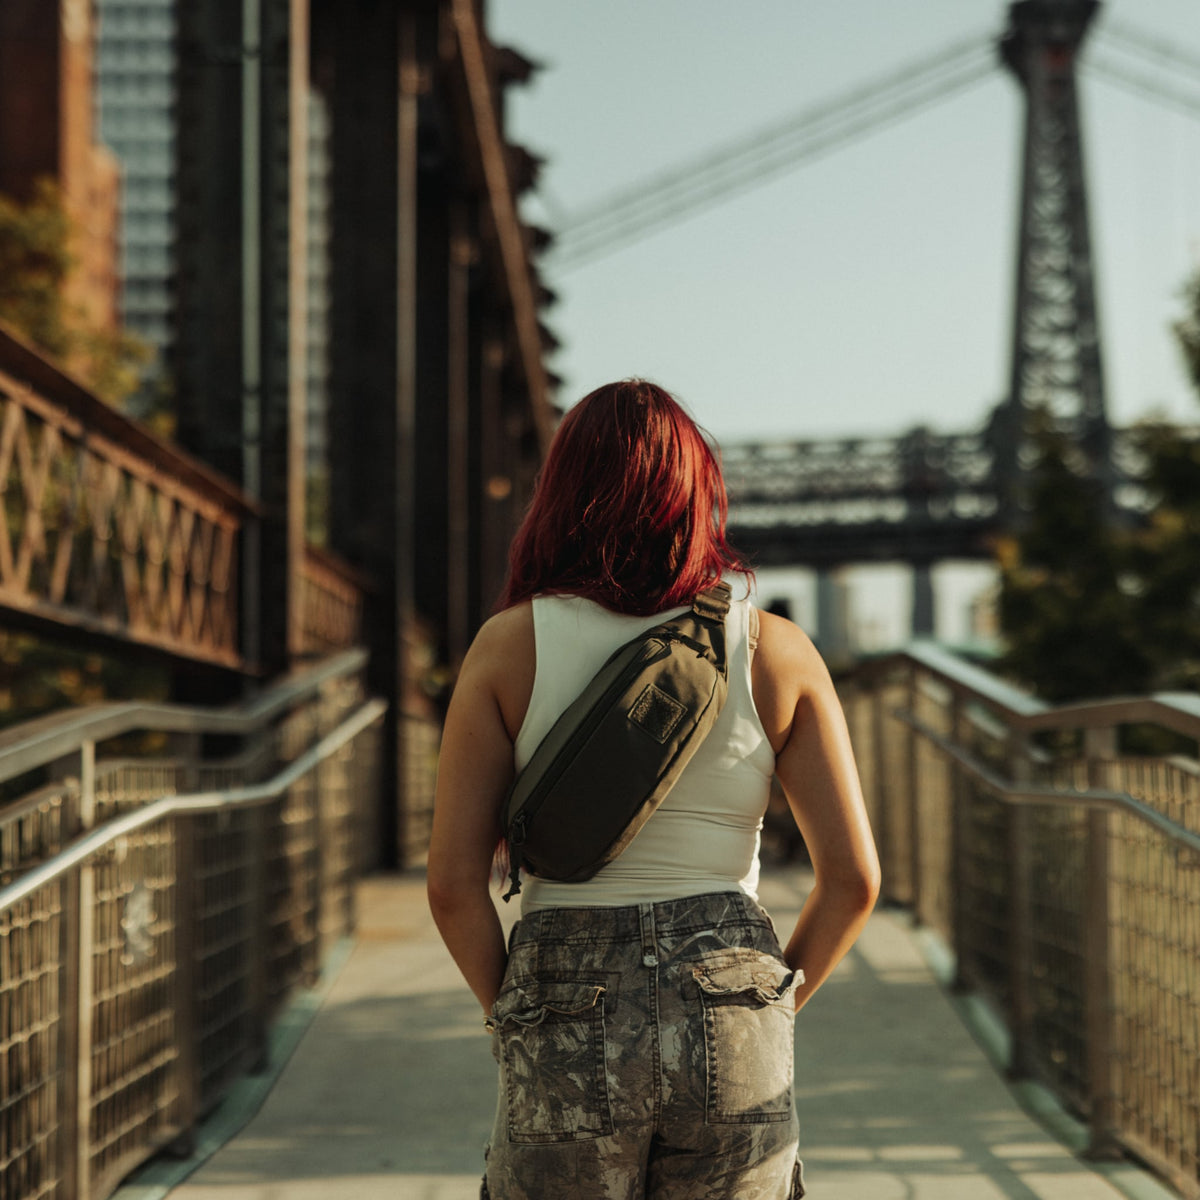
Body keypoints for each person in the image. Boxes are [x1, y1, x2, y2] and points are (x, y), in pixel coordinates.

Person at [427, 379, 880, 1200]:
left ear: (559, 496)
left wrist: (517, 1018)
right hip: (729, 986)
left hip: (561, 987)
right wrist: (762, 1009)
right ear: (698, 494)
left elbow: (453, 885)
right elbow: (854, 881)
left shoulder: (507, 649)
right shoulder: (774, 650)